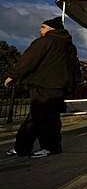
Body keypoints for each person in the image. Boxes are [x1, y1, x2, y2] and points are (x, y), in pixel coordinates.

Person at [5, 17, 79, 158]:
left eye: (43, 27)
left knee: (42, 119)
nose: (40, 29)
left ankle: (49, 147)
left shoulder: (45, 42)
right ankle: (22, 147)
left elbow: (28, 60)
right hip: (58, 87)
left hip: (43, 85)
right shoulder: (69, 46)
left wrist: (13, 75)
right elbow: (73, 67)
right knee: (41, 117)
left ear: (51, 29)